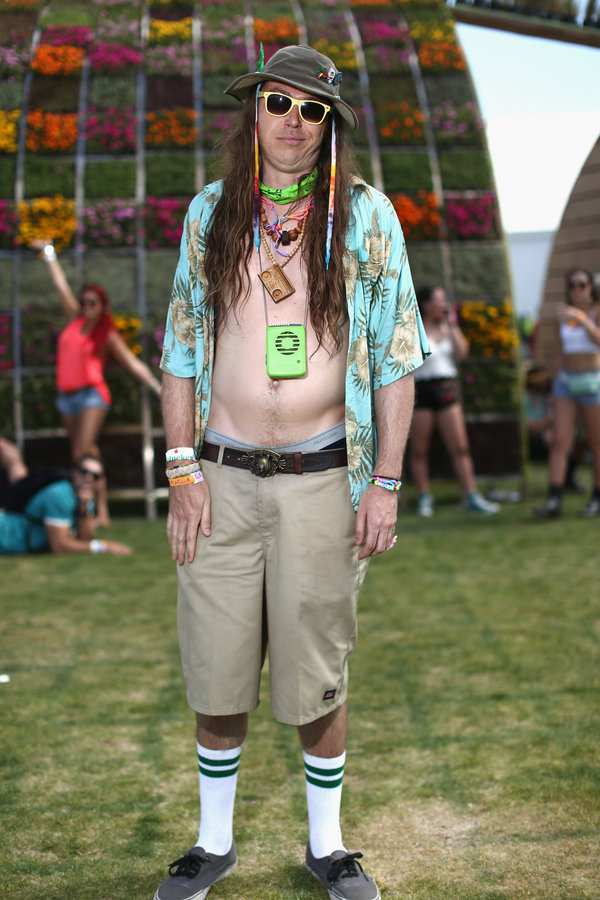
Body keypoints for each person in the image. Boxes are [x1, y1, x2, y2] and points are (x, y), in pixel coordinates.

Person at [155, 44, 429, 900]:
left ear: (330, 125)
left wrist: (386, 483)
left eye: (313, 109)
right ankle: (213, 844)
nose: (293, 121)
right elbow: (180, 350)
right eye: (279, 101)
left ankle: (328, 847)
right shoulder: (213, 213)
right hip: (220, 482)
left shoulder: (366, 216)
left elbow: (396, 357)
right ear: (254, 110)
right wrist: (181, 472)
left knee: (318, 675)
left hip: (323, 480)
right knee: (216, 669)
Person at [31, 239, 162, 525]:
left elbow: (132, 363)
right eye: (84, 301)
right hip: (66, 397)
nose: (87, 306)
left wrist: (159, 389)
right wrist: (49, 253)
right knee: (86, 452)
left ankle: (91, 510)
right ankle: (99, 510)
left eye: (93, 302)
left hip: (92, 396)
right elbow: (60, 286)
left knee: (81, 452)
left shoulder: (106, 334)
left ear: (102, 306)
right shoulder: (74, 321)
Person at [408, 285, 499, 517]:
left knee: (460, 447)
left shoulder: (447, 327)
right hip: (422, 389)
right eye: (438, 300)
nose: (443, 304)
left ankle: (471, 495)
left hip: (446, 388)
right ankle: (424, 496)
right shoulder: (414, 328)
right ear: (426, 304)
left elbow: (462, 353)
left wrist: (452, 324)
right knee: (419, 449)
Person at [534, 266, 600, 518]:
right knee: (560, 439)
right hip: (566, 381)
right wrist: (555, 383)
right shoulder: (562, 316)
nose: (576, 289)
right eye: (572, 284)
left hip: (593, 380)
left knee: (596, 442)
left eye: (582, 284)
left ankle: (597, 497)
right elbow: (561, 351)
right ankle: (554, 499)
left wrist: (582, 319)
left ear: (590, 287)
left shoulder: (595, 312)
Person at [0, 437, 131, 555]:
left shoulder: (86, 497)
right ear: (74, 472)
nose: (88, 478)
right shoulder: (59, 495)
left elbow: (85, 538)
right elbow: (59, 546)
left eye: (95, 476)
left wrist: (84, 510)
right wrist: (104, 547)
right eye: (84, 472)